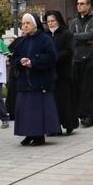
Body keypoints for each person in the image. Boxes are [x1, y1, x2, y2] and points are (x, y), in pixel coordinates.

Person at [12, 13, 61, 145]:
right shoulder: (22, 42)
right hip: (24, 82)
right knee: (26, 110)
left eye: (28, 23)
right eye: (23, 23)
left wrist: (33, 62)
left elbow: (51, 57)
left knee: (37, 110)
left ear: (35, 24)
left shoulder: (45, 39)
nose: (25, 26)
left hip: (40, 81)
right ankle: (29, 134)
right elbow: (13, 59)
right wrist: (20, 61)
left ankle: (39, 135)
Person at [70, 0, 93, 127]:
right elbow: (69, 35)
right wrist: (82, 38)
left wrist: (78, 37)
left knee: (91, 88)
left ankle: (91, 115)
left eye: (82, 4)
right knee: (79, 88)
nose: (79, 6)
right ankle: (82, 114)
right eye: (78, 4)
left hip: (92, 56)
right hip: (77, 57)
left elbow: (92, 33)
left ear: (89, 6)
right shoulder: (75, 21)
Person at [46, 11, 78, 135]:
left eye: (52, 21)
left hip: (63, 72)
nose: (50, 24)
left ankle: (68, 124)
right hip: (50, 73)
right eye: (48, 21)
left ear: (58, 20)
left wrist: (54, 58)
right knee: (52, 102)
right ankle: (54, 126)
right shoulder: (46, 35)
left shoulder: (67, 34)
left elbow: (69, 51)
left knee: (64, 100)